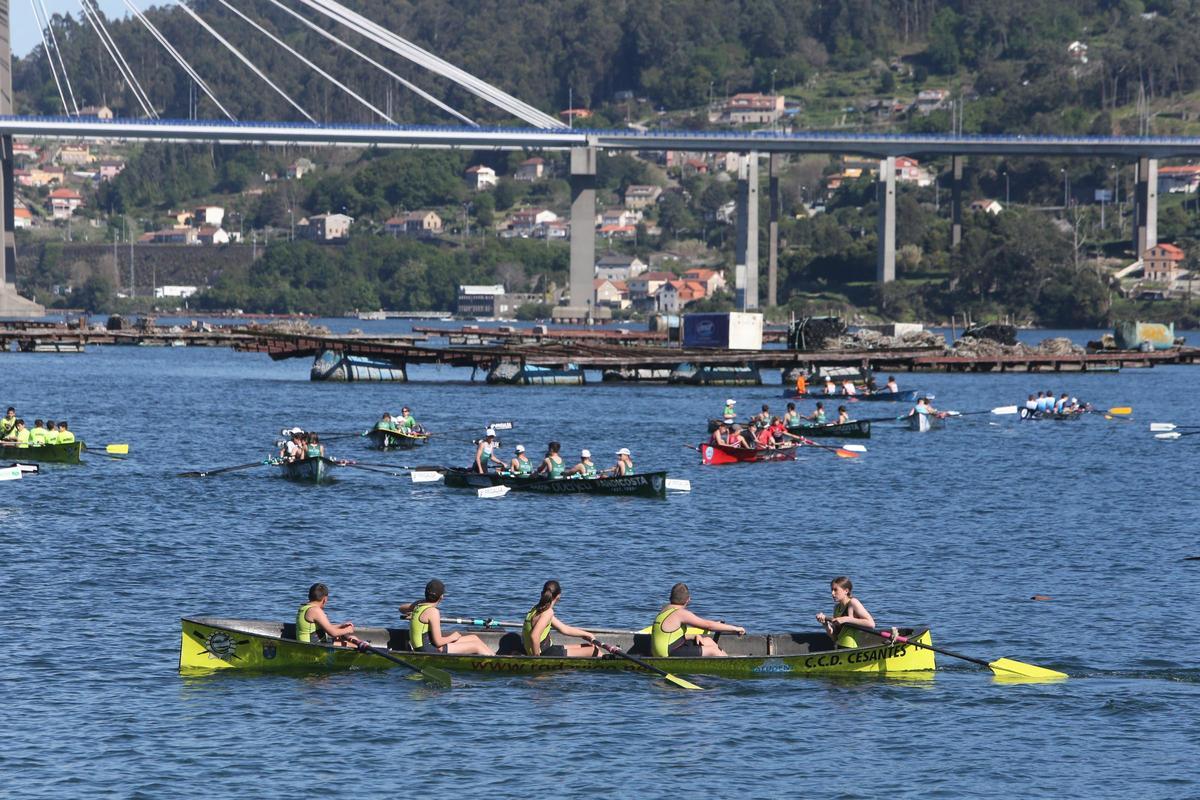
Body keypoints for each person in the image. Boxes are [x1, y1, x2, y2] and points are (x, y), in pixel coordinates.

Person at [651, 582, 745, 658]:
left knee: (708, 640)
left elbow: (669, 636)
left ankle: (727, 658)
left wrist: (693, 636)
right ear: (688, 600)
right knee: (713, 650)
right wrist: (735, 629)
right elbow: (709, 626)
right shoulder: (680, 613)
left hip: (663, 649)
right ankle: (731, 666)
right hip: (667, 653)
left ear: (670, 598)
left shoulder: (664, 610)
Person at [402, 580, 493, 655]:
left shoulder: (418, 605)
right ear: (441, 597)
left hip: (426, 645)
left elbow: (401, 609)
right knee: (476, 646)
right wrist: (453, 637)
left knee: (474, 638)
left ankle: (495, 656)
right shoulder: (433, 612)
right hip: (428, 650)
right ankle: (500, 662)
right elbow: (438, 642)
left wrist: (415, 610)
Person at [522, 580, 600, 657]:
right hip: (544, 654)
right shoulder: (548, 613)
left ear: (542, 593)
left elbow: (564, 629)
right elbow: (534, 636)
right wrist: (536, 659)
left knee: (588, 646)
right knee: (594, 651)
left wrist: (587, 634)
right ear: (559, 596)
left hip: (548, 649)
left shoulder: (536, 609)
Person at [815, 576, 875, 649]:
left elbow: (871, 624)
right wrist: (825, 624)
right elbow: (835, 638)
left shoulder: (853, 602)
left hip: (852, 649)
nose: (832, 593)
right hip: (840, 648)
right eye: (831, 590)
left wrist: (846, 619)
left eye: (835, 590)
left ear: (846, 591)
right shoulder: (836, 608)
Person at [295, 582, 357, 647]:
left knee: (351, 638)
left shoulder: (304, 607)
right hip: (312, 646)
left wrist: (341, 626)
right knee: (353, 645)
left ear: (309, 596)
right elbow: (333, 633)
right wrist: (348, 630)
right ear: (325, 599)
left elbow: (326, 628)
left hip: (310, 643)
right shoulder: (315, 611)